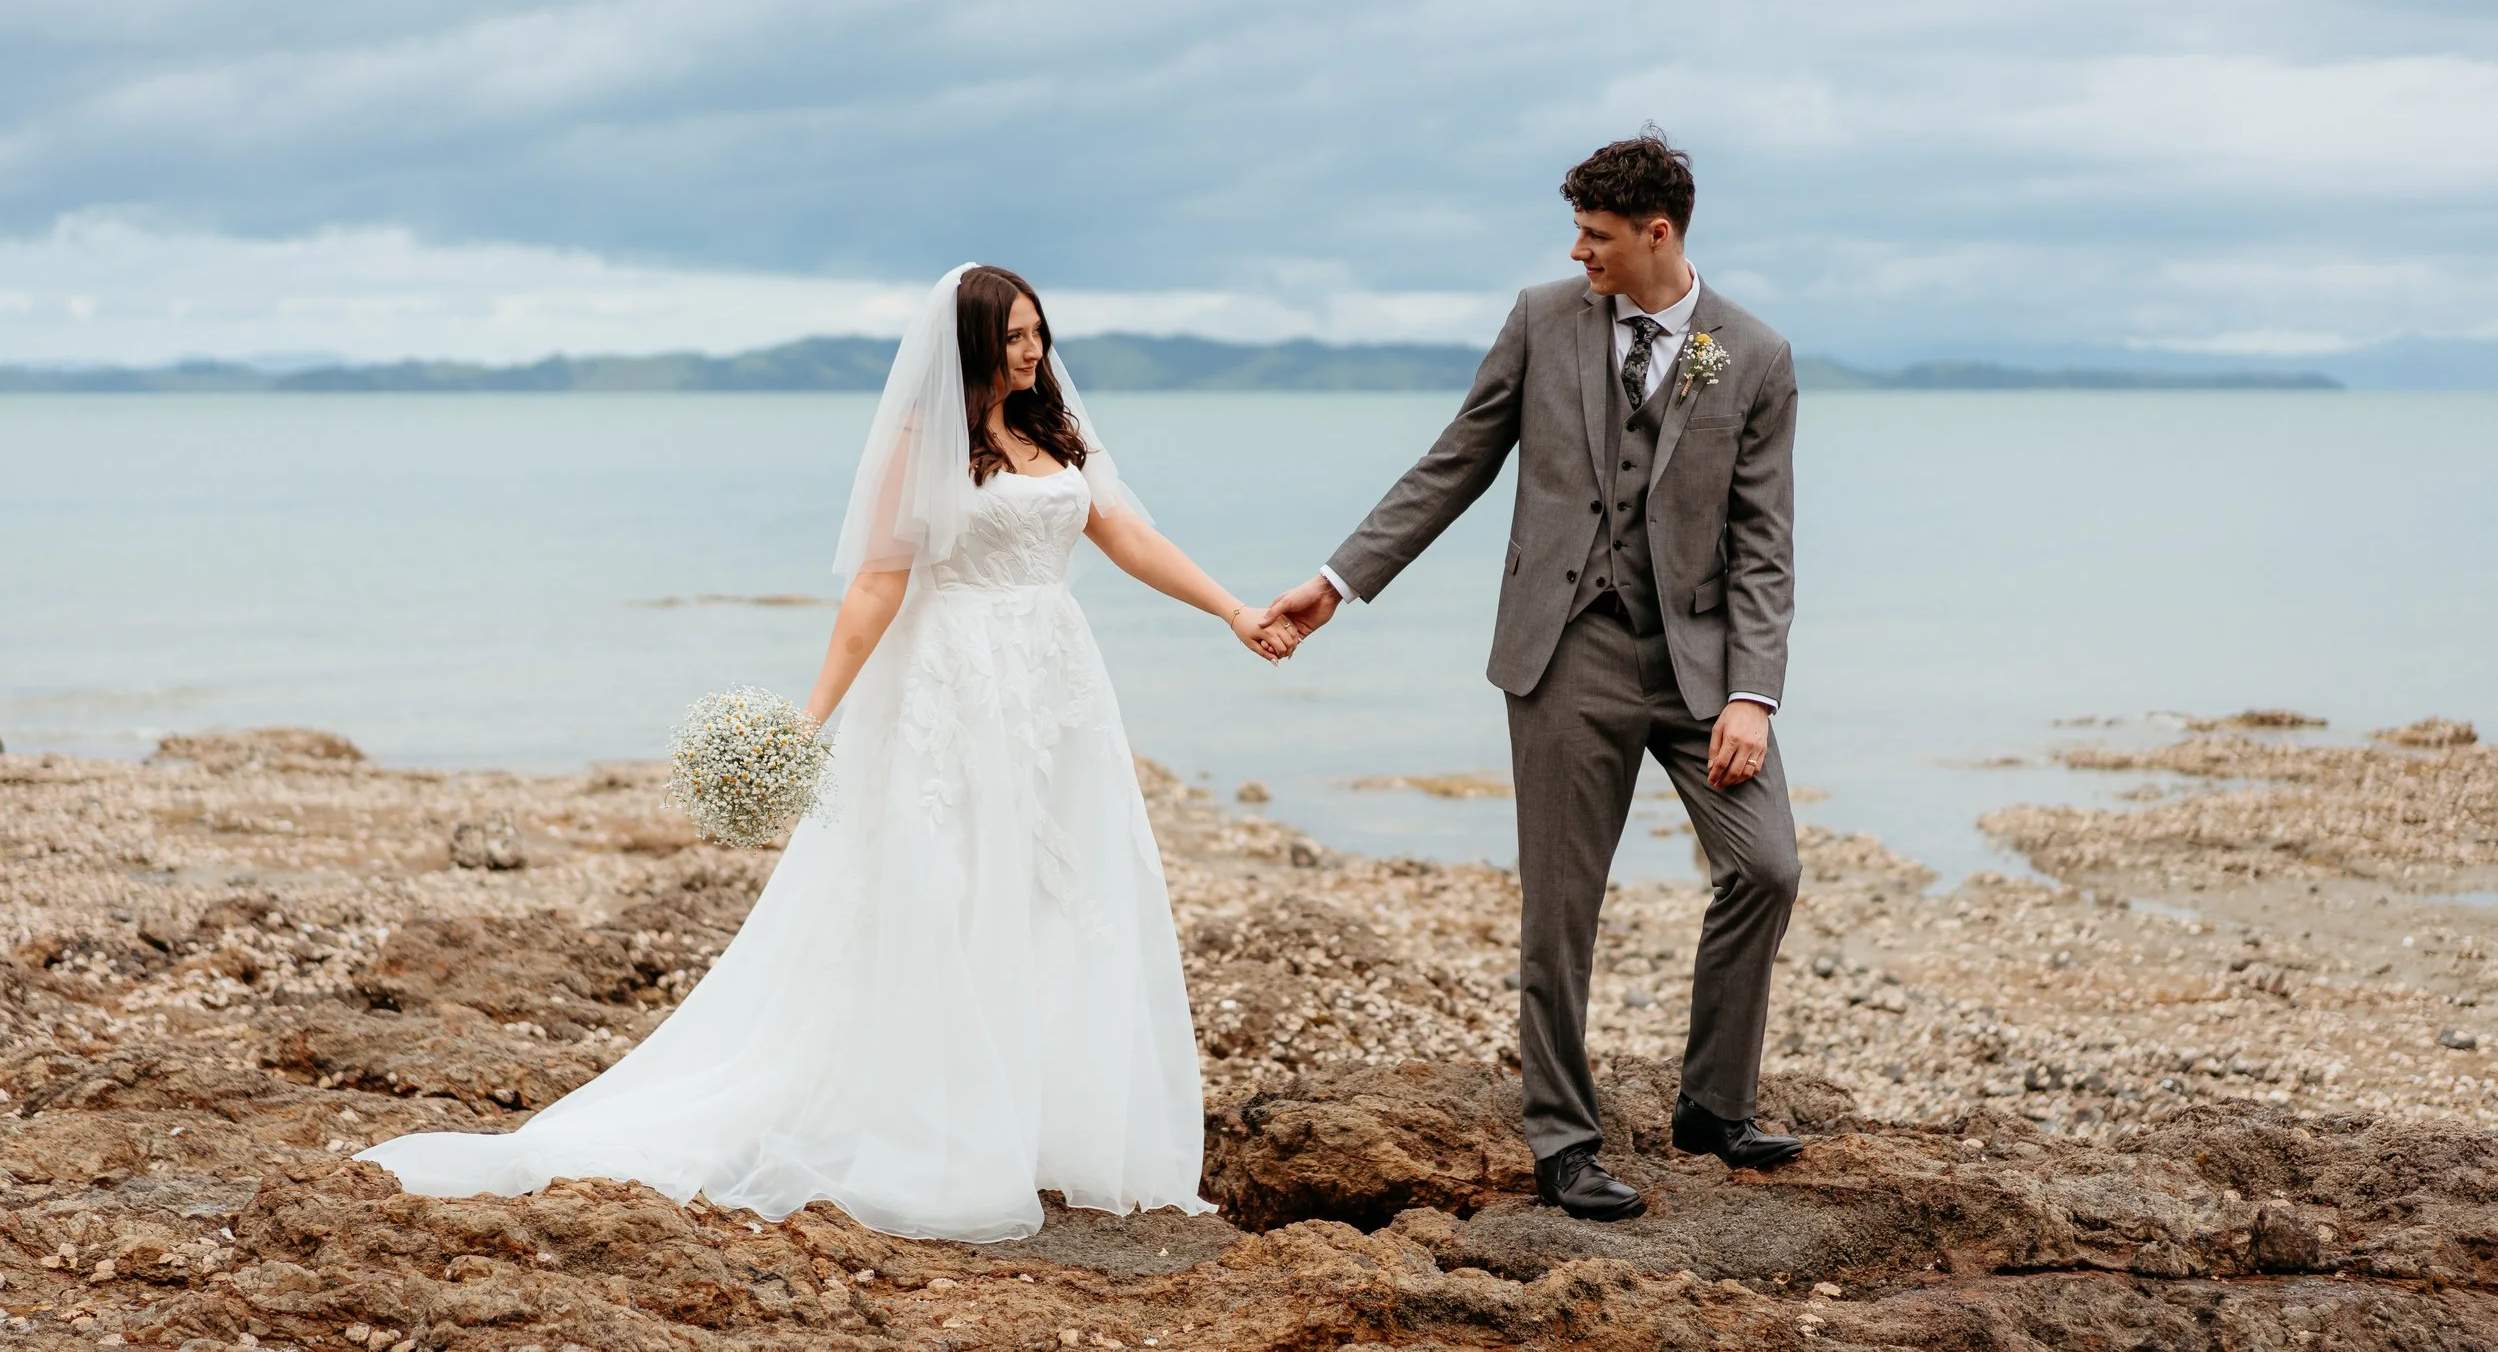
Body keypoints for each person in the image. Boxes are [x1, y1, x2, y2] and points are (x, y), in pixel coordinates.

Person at [363, 263, 1293, 1241]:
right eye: (1018, 335)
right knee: (952, 888)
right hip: (955, 687)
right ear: (974, 343)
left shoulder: (1054, 429)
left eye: (1039, 332)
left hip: (1058, 688)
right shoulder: (919, 443)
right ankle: (944, 1123)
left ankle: (1039, 1122)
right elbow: (876, 590)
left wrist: (1233, 609)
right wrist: (809, 722)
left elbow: (1127, 534)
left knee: (1056, 895)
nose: (1036, 350)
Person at [1264, 130, 1804, 1221]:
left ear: (1659, 233)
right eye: (1575, 232)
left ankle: (1713, 1103)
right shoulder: (1541, 319)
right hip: (1566, 651)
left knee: (1768, 868)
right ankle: (1563, 1140)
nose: (1577, 251)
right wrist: (1336, 583)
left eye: (1596, 235)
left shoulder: (1751, 354)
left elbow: (1763, 540)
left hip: (1700, 668)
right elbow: (1455, 459)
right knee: (1563, 907)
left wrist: (1752, 690)